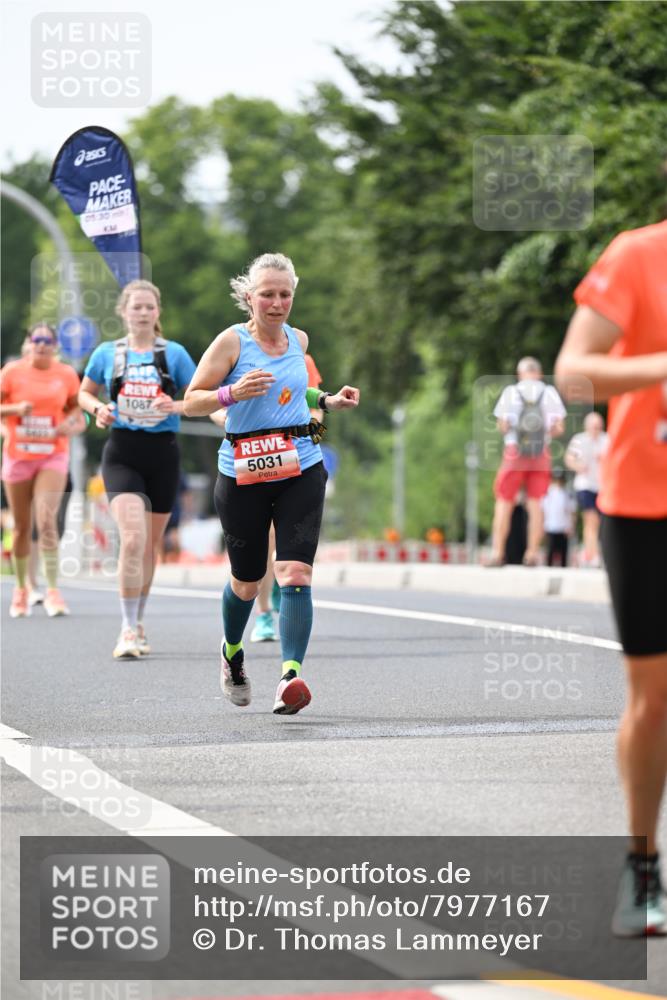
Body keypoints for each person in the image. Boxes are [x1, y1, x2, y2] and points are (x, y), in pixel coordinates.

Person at [183, 252, 359, 714]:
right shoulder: (231, 343)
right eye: (268, 294)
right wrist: (231, 393)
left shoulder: (298, 340)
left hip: (300, 464)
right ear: (249, 297)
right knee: (247, 579)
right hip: (242, 471)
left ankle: (290, 676)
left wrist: (328, 399)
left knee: (295, 573)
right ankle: (232, 653)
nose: (277, 303)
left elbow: (292, 389)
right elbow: (191, 402)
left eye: (284, 294)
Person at [555, 218, 667, 936]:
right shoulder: (637, 256)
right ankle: (641, 867)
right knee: (653, 698)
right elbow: (573, 372)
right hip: (645, 505)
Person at [78, 279, 197, 659]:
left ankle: (138, 618)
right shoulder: (107, 354)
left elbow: (199, 396)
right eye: (136, 307)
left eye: (149, 307)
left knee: (149, 546)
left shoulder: (173, 354)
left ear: (157, 312)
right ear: (124, 312)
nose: (143, 313)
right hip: (123, 452)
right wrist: (98, 410)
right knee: (131, 538)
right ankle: (127, 629)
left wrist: (174, 407)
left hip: (163, 454)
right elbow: (84, 392)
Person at [0, 323, 82, 618]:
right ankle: (21, 589)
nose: (43, 345)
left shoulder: (65, 374)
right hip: (18, 456)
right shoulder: (12, 372)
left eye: (48, 340)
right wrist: (14, 410)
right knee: (21, 527)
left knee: (46, 520)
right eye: (37, 340)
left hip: (53, 455)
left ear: (55, 345)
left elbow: (76, 410)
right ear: (29, 343)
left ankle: (52, 591)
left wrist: (68, 424)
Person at [249, 351, 324, 643]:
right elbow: (219, 402)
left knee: (289, 538)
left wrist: (313, 434)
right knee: (265, 538)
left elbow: (315, 404)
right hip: (256, 457)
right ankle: (264, 612)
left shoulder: (303, 359)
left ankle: (283, 586)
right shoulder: (241, 354)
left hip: (295, 459)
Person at [488, 357, 566, 566]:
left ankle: (497, 552)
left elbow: (503, 425)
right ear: (540, 373)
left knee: (504, 502)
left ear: (519, 374)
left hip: (515, 452)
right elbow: (559, 428)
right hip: (541, 453)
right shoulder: (549, 392)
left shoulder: (512, 392)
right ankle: (531, 554)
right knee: (536, 504)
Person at [564, 411, 608, 566]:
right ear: (587, 426)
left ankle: (595, 552)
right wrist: (578, 466)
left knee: (603, 523)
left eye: (598, 426)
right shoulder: (579, 440)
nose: (596, 429)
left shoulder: (607, 440)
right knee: (591, 521)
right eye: (593, 426)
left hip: (603, 487)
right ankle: (593, 555)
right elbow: (569, 459)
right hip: (585, 485)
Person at [541, 470, 575, 567]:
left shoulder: (568, 494)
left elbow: (571, 512)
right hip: (550, 527)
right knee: (550, 552)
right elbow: (543, 511)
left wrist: (571, 526)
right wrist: (541, 526)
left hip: (564, 528)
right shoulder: (547, 493)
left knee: (563, 553)